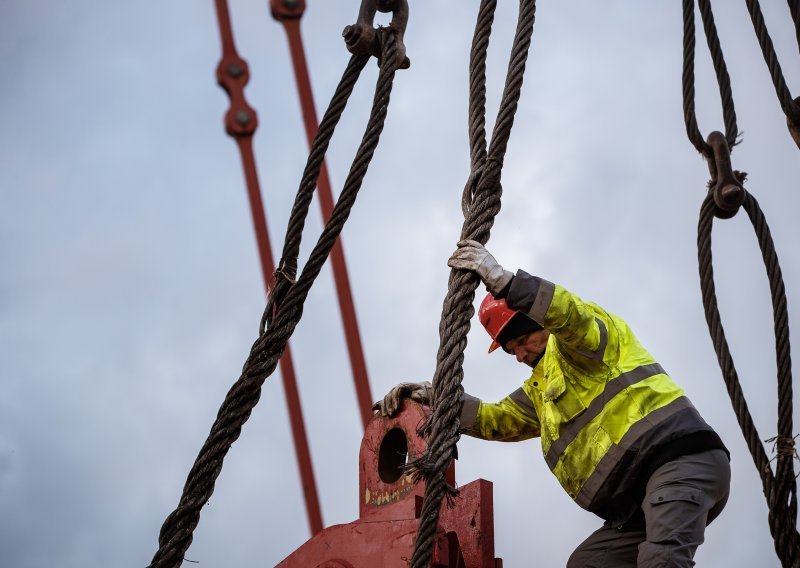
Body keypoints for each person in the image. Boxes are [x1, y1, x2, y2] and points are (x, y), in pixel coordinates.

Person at [375, 239, 730, 567]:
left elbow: (569, 315)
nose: (519, 356)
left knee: (662, 562)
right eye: (511, 351)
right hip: (633, 507)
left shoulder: (583, 346)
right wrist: (437, 398)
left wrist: (507, 283)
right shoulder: (540, 391)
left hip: (677, 461)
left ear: (540, 323)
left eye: (523, 341)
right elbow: (495, 419)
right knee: (588, 564)